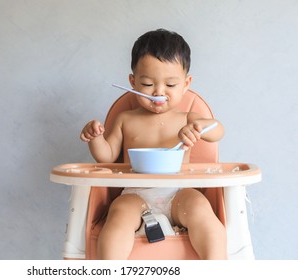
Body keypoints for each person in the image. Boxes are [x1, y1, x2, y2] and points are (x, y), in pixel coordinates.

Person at [80, 29, 227, 260]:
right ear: (133, 82)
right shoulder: (125, 119)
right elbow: (106, 158)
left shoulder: (187, 117)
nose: (159, 92)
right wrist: (95, 137)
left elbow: (218, 131)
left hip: (179, 194)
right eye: (147, 83)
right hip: (136, 195)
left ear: (186, 84)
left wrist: (200, 127)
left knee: (200, 209)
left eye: (170, 85)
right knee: (118, 215)